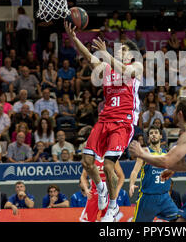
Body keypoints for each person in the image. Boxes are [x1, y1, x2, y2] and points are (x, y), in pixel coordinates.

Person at [64, 21, 142, 222]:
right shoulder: (108, 68)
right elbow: (89, 57)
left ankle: (113, 209)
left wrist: (107, 55)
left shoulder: (137, 66)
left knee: (109, 165)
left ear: (131, 55)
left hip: (123, 122)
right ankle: (101, 189)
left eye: (123, 50)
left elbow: (127, 72)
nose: (119, 51)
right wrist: (74, 38)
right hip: (105, 119)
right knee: (87, 162)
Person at [128, 126, 180, 222]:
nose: (153, 135)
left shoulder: (166, 154)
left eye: (156, 132)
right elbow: (135, 171)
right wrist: (131, 184)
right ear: (148, 138)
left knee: (178, 219)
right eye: (151, 133)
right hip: (148, 197)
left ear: (160, 136)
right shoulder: (144, 153)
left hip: (164, 197)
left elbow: (174, 170)